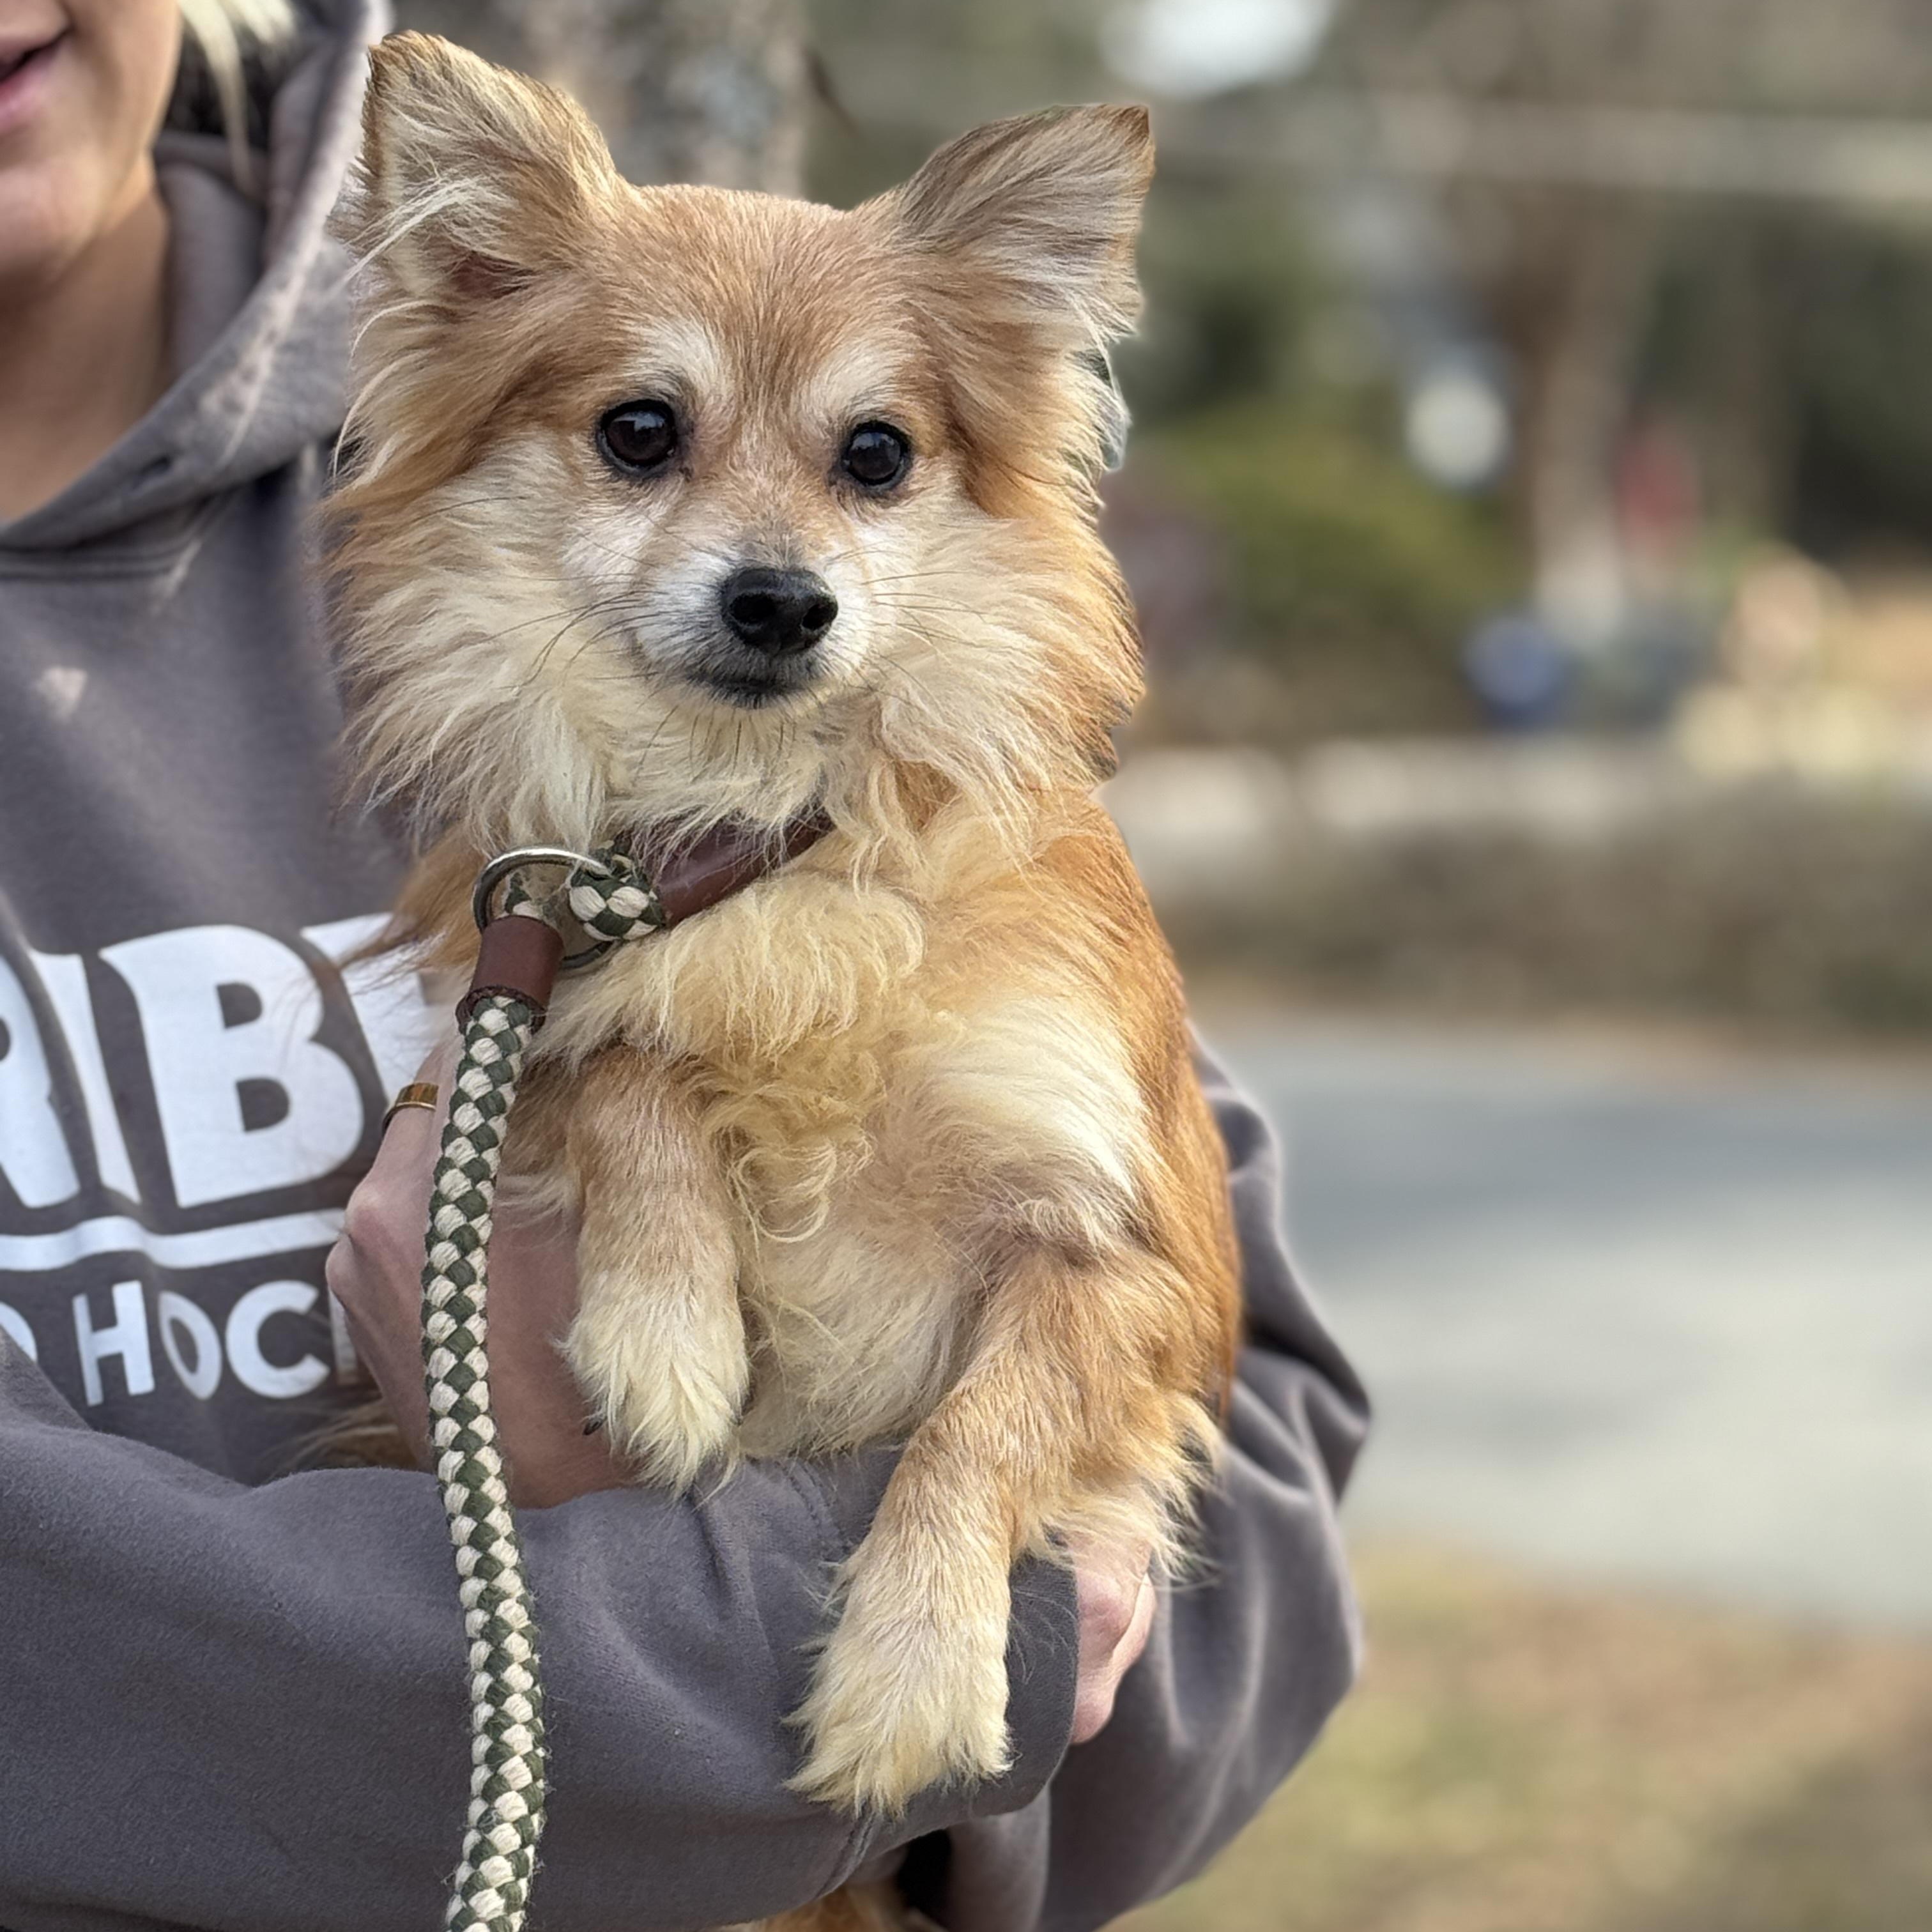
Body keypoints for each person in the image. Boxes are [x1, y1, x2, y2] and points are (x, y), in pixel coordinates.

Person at [0, 1, 1370, 1926]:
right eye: (646, 441)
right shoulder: (501, 614)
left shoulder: (960, 832)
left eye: (869, 461)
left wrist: (954, 1613)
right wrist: (779, 1664)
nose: (773, 553)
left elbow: (1250, 1496)